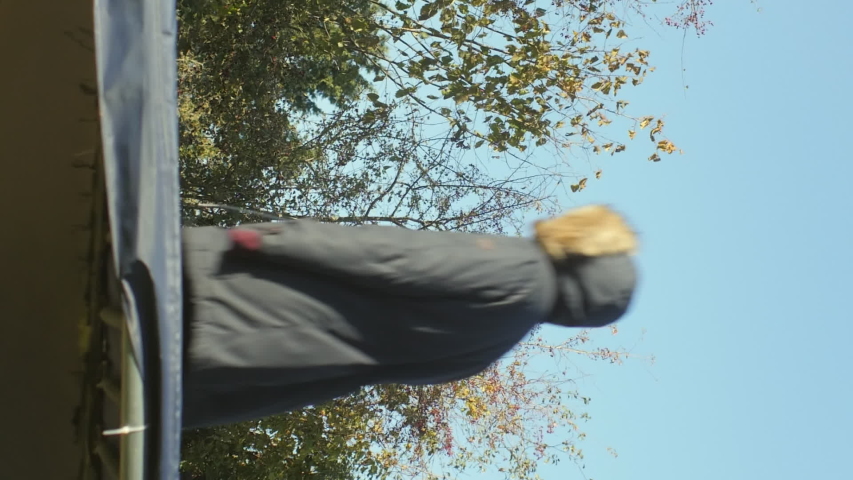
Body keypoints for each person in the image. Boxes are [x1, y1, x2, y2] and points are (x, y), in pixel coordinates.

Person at [180, 204, 639, 428]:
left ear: (583, 251)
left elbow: (388, 256)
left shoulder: (519, 267)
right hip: (230, 366)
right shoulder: (494, 345)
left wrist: (273, 240)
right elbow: (356, 374)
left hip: (221, 292)